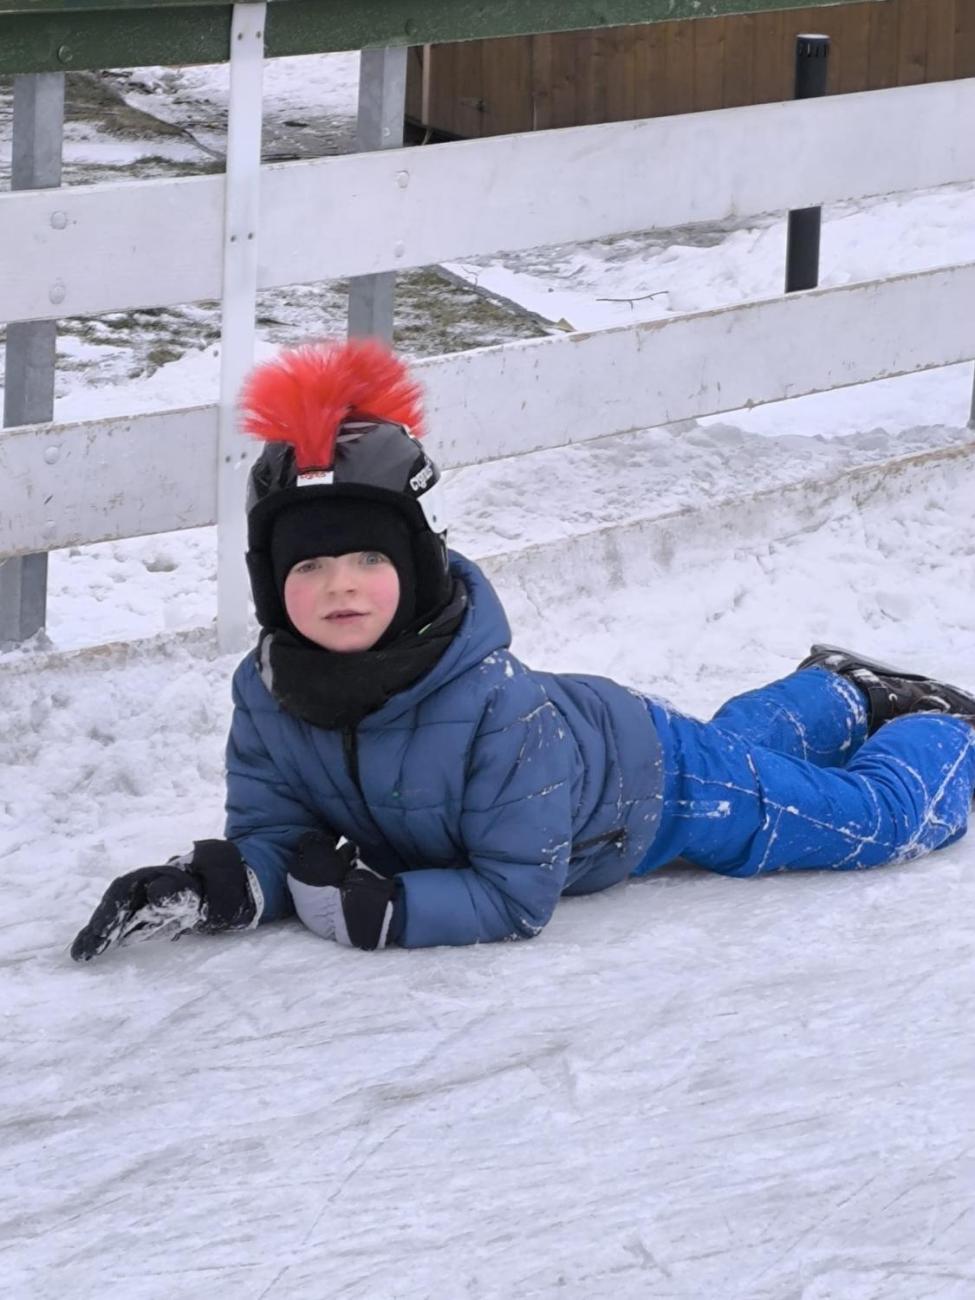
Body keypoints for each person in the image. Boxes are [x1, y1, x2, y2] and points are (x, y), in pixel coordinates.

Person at [70, 340, 975, 961]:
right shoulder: (268, 694)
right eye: (308, 567)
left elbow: (516, 895)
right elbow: (279, 838)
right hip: (618, 748)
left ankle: (943, 728)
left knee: (863, 822)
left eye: (367, 559)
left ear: (416, 572)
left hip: (658, 787)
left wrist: (389, 913)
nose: (338, 585)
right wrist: (221, 887)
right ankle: (838, 689)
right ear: (272, 588)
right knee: (741, 745)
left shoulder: (492, 709)